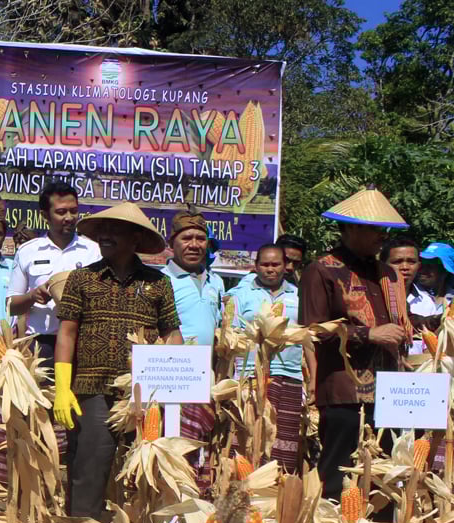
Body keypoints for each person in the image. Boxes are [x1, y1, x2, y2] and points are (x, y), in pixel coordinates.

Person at [53, 202, 183, 523]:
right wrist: (61, 387)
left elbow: (173, 335)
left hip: (142, 394)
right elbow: (67, 333)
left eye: (115, 230)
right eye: (102, 231)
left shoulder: (158, 283)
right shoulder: (82, 279)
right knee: (89, 467)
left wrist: (172, 378)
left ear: (136, 238)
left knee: (143, 470)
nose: (106, 236)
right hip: (91, 389)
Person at [300, 188, 413, 499]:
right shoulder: (321, 269)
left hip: (390, 392)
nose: (382, 235)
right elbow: (312, 330)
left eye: (383, 228)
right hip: (344, 392)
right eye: (374, 228)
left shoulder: (388, 274)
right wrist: (369, 334)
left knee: (385, 476)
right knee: (339, 475)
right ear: (350, 228)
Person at [226, 244, 305, 473]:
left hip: (289, 373)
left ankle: (278, 493)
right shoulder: (240, 295)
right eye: (265, 264)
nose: (270, 269)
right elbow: (231, 336)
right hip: (250, 373)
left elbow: (306, 333)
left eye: (276, 264)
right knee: (248, 434)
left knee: (284, 439)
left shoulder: (298, 295)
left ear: (285, 266)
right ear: (256, 266)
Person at [161, 208, 223, 492]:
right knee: (174, 449)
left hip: (206, 379)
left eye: (201, 238)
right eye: (187, 238)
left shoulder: (216, 282)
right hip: (172, 378)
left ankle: (195, 516)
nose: (195, 244)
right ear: (171, 242)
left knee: (202, 450)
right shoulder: (160, 281)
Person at [7, 180, 100, 366]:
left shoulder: (94, 251)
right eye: (61, 212)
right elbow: (11, 306)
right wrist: (33, 296)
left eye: (73, 211)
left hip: (85, 344)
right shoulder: (28, 251)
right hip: (41, 347)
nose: (69, 217)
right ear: (44, 215)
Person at [416, 242, 454, 311]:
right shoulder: (410, 293)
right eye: (421, 265)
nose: (422, 270)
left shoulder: (452, 299)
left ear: (444, 272)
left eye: (430, 266)